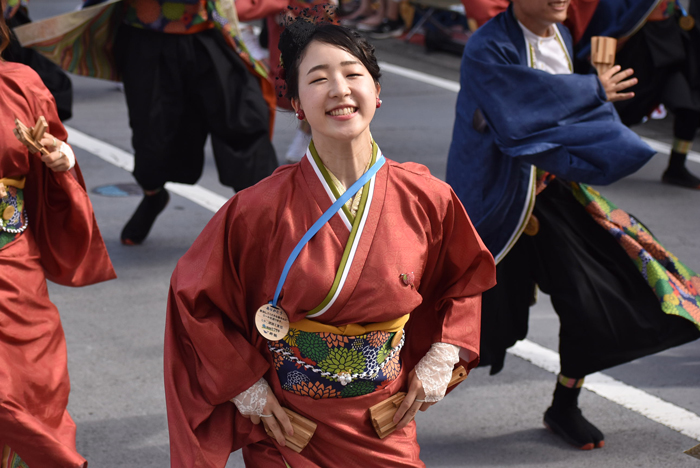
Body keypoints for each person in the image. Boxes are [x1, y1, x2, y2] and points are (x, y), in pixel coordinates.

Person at [164, 18, 496, 467]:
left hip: (384, 421)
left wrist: (445, 350)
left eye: (352, 73)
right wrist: (247, 388)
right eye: (318, 79)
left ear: (377, 91)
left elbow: (464, 279)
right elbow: (195, 301)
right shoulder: (256, 209)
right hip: (290, 428)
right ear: (297, 104)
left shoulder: (427, 198)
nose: (339, 89)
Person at [447, 0, 700, 451]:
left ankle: (565, 403)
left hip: (553, 191)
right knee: (464, 321)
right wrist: (591, 90)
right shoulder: (488, 46)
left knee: (596, 298)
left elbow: (566, 112)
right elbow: (519, 113)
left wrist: (592, 109)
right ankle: (384, 401)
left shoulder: (562, 37)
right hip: (500, 200)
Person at [0, 7, 116, 467]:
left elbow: (53, 147)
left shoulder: (21, 82)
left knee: (30, 382)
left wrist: (60, 157)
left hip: (11, 256)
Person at [106, 0, 280, 245]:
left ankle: (261, 218)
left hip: (207, 33)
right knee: (152, 139)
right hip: (146, 38)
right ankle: (153, 195)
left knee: (243, 122)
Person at [614, 0, 700, 189]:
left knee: (690, 107)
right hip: (640, 40)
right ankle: (594, 153)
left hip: (672, 37)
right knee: (625, 104)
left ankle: (676, 167)